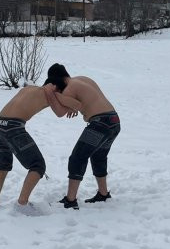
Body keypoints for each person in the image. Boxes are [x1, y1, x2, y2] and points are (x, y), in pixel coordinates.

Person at [43, 63, 120, 209]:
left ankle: (70, 200)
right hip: (114, 122)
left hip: (100, 125)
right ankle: (103, 194)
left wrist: (53, 94)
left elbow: (60, 113)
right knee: (98, 157)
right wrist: (74, 104)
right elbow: (85, 100)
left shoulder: (68, 89)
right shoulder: (82, 79)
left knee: (77, 157)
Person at [0, 83, 79, 210]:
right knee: (37, 166)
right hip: (13, 128)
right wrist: (71, 107)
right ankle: (22, 203)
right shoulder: (52, 93)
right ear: (55, 86)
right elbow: (76, 105)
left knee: (2, 166)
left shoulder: (29, 88)